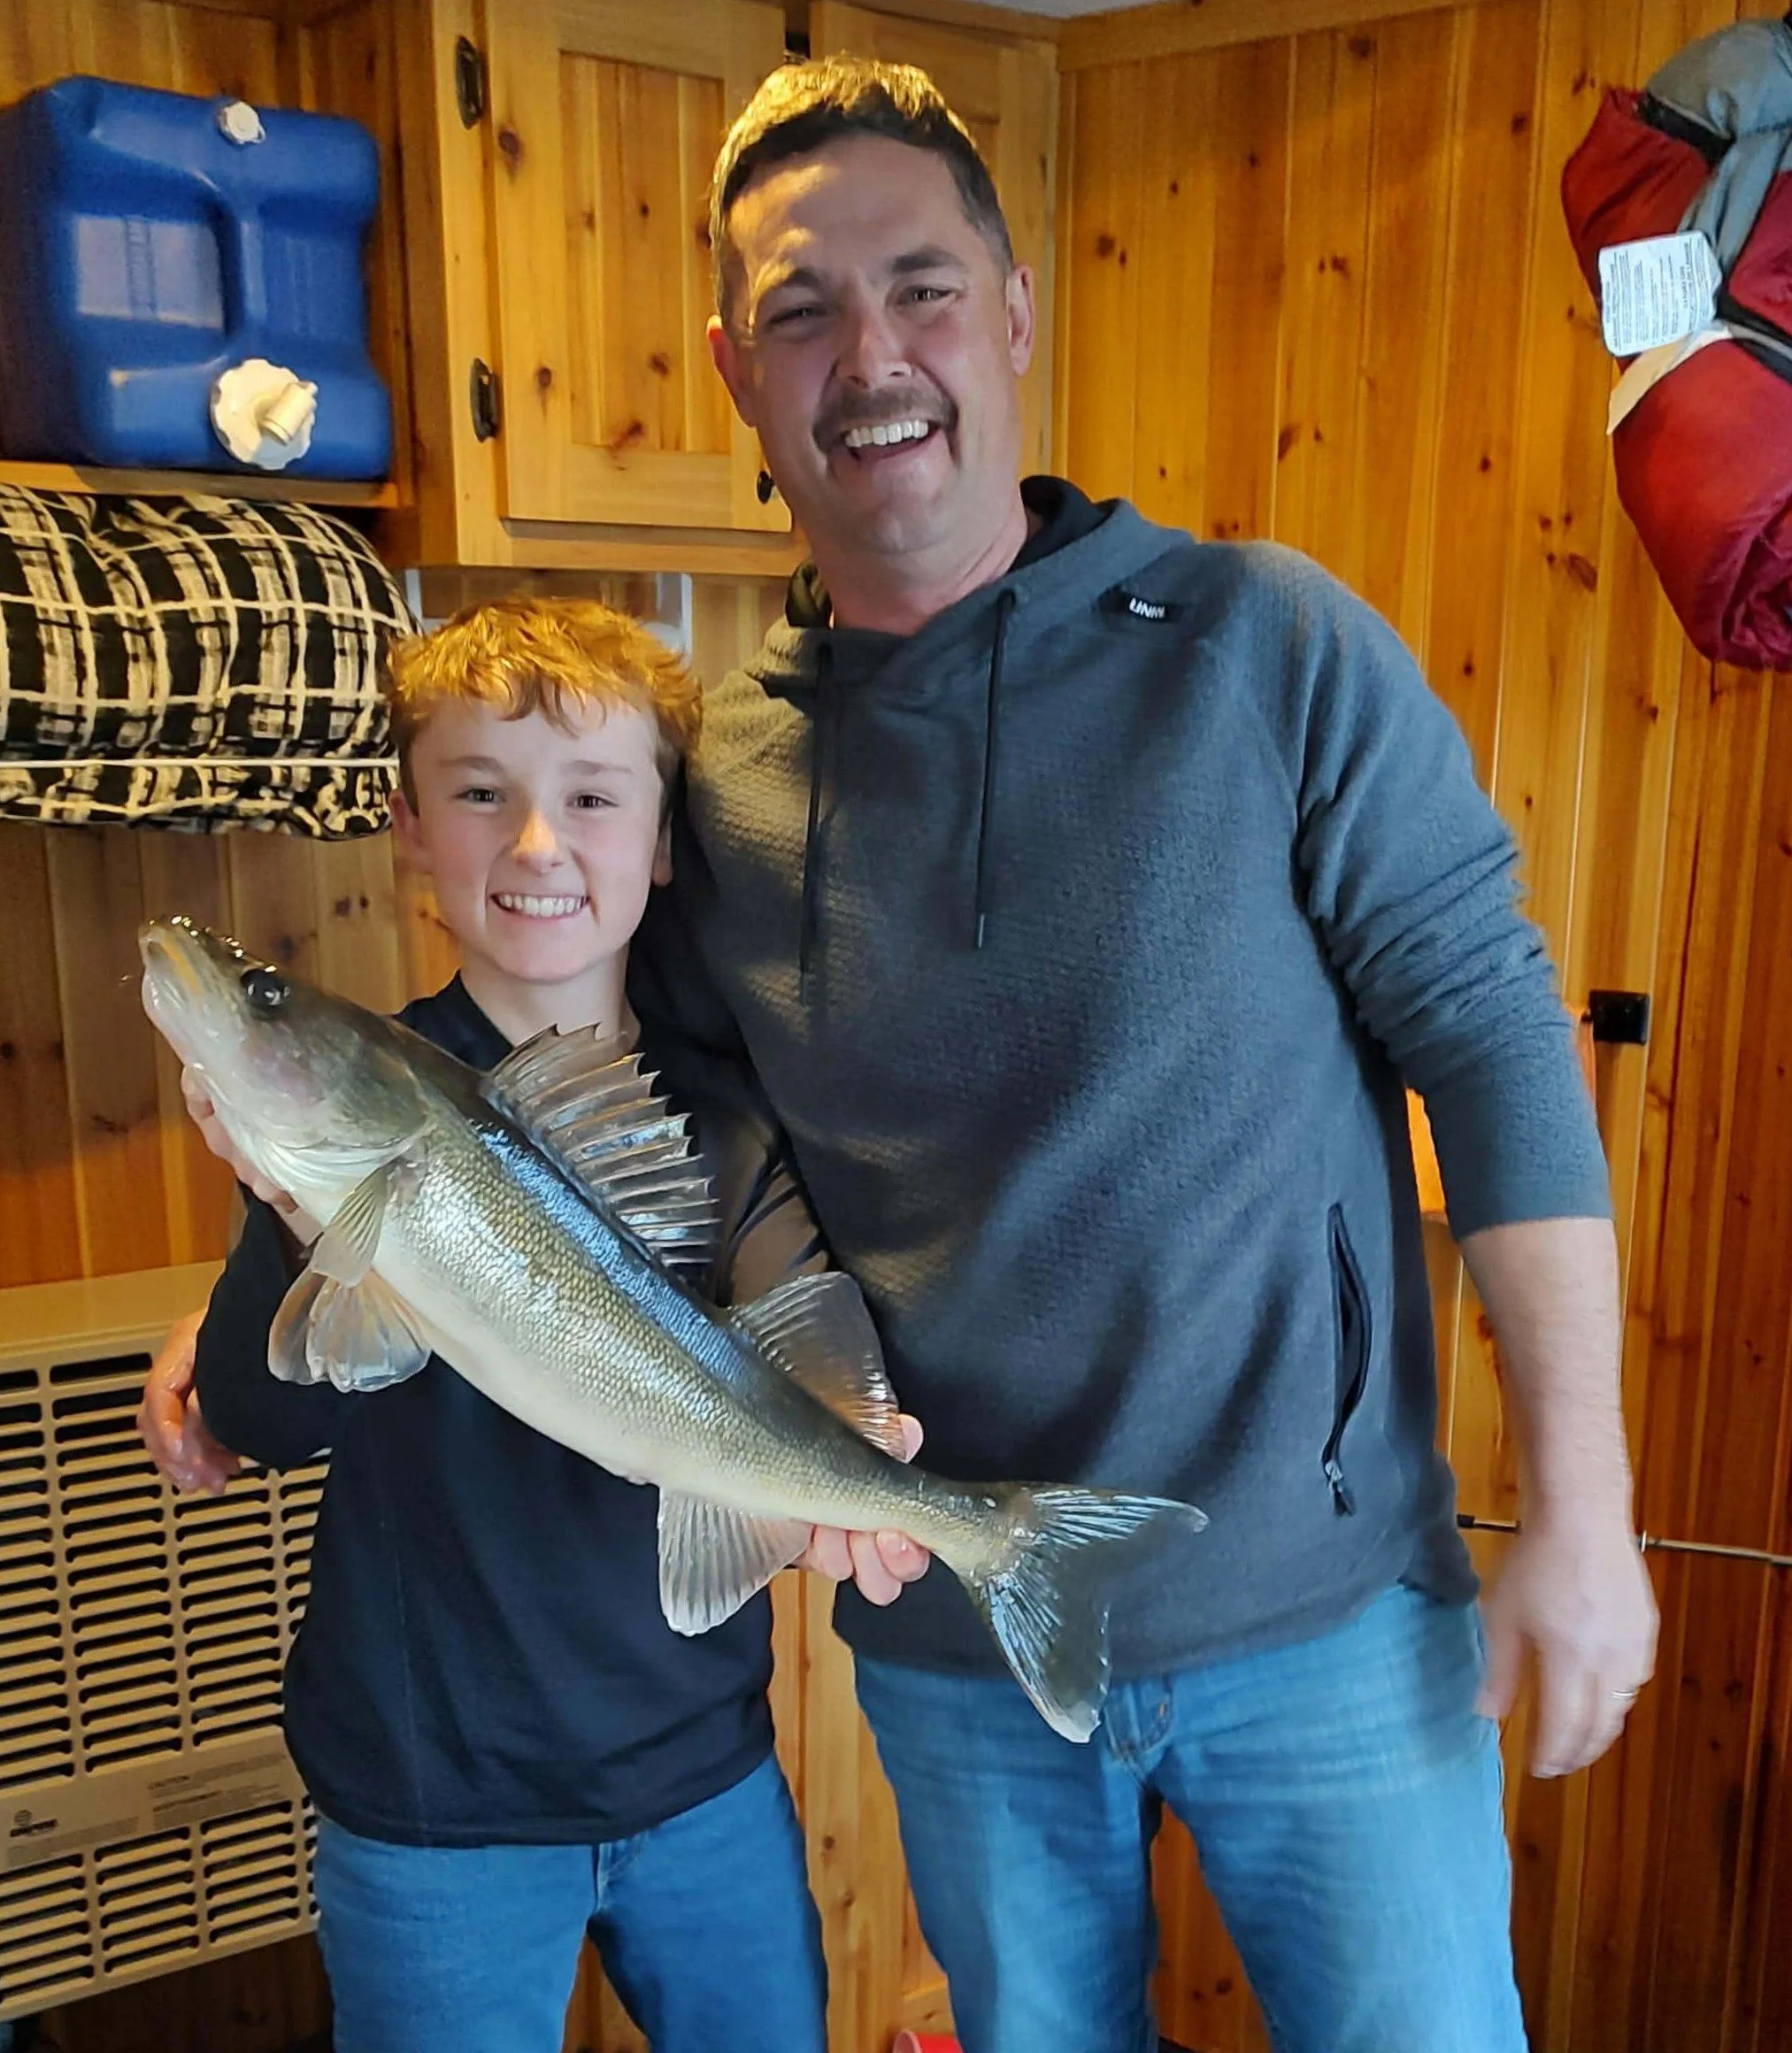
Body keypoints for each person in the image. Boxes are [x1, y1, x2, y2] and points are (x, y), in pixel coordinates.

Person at [620, 53, 1660, 2053]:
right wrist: (783, 1323)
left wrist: (1588, 1515)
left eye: (920, 285)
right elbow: (699, 1098)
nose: (869, 353)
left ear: (1010, 319)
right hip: (952, 1649)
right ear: (740, 377)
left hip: (1331, 1623)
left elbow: (1489, 1040)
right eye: (799, 309)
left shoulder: (1260, 642)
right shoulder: (718, 778)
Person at [139, 597, 832, 2053]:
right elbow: (262, 1421)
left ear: (661, 836)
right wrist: (276, 1212)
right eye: (479, 793)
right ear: (409, 825)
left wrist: (868, 1439)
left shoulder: (723, 1109)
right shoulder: (360, 1090)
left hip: (704, 1774)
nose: (536, 846)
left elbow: (796, 1324)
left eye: (589, 798)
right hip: (432, 1804)